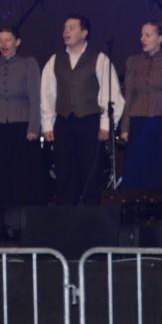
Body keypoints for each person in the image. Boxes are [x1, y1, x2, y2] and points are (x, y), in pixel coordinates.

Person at [40, 15, 124, 205]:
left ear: (84, 33)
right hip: (63, 122)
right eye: (64, 28)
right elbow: (47, 94)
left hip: (89, 121)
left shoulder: (99, 59)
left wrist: (105, 124)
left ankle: (90, 215)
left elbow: (111, 93)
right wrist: (47, 124)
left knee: (90, 171)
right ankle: (67, 214)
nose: (66, 31)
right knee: (64, 171)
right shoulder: (55, 60)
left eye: (71, 27)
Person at [0, 26, 42, 241]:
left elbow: (35, 98)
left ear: (17, 42)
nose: (3, 44)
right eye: (0, 41)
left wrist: (34, 127)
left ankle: (17, 224)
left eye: (8, 40)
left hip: (20, 126)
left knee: (18, 177)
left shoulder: (28, 63)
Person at [119, 20, 162, 191]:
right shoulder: (133, 61)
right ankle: (139, 206)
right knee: (138, 170)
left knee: (161, 170)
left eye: (148, 35)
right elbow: (129, 96)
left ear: (160, 38)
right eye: (142, 35)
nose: (142, 38)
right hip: (138, 121)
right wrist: (125, 126)